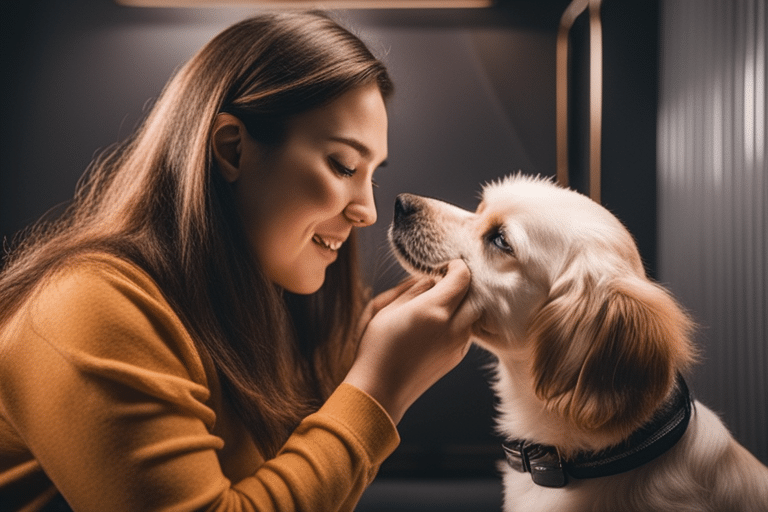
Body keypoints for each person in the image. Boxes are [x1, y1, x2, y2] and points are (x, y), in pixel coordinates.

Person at [0, 11, 478, 512]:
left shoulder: (254, 319)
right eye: (343, 165)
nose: (368, 212)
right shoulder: (86, 307)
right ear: (232, 150)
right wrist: (379, 388)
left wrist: (351, 370)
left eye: (372, 176)